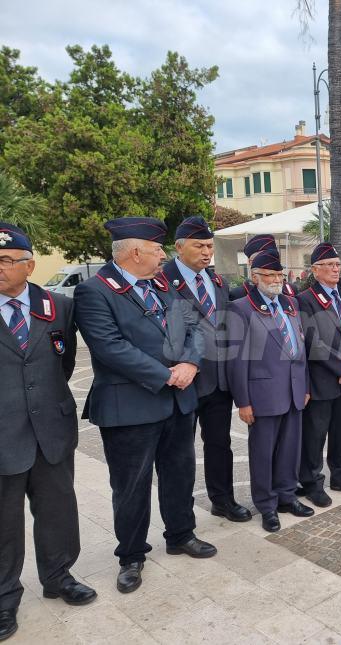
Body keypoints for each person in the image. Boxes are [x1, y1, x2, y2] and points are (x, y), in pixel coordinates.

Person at [74, 217, 215, 596]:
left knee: (180, 473)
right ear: (136, 252)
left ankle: (181, 534)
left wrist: (189, 363)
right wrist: (167, 374)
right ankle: (132, 556)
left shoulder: (164, 287)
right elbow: (109, 347)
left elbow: (194, 329)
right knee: (131, 486)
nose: (162, 256)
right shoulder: (95, 291)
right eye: (157, 250)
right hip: (130, 406)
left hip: (177, 402)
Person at [0, 224, 96, 640]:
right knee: (3, 524)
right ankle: (4, 599)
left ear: (29, 265)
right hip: (3, 433)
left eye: (6, 261)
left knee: (57, 510)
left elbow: (65, 362)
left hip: (52, 430)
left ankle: (58, 577)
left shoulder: (57, 306)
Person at [161, 216, 251, 523]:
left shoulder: (217, 281)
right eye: (199, 245)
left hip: (217, 381)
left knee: (219, 444)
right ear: (179, 247)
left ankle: (222, 499)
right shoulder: (162, 280)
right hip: (182, 380)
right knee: (179, 454)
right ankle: (180, 518)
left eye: (210, 246)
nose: (206, 252)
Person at [226, 249, 313, 532]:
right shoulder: (241, 308)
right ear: (255, 277)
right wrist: (243, 402)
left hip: (294, 390)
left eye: (280, 274)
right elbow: (237, 360)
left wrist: (306, 386)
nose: (277, 279)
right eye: (271, 275)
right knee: (263, 452)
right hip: (262, 394)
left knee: (290, 449)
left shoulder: (290, 303)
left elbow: (300, 350)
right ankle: (266, 505)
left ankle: (287, 496)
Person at [298, 243, 341, 507]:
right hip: (323, 379)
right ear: (315, 270)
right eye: (329, 265)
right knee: (315, 434)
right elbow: (312, 342)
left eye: (338, 265)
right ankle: (312, 482)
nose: (336, 269)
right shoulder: (305, 300)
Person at [229, 235, 296, 301]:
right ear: (250, 262)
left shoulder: (291, 290)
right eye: (261, 259)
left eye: (273, 258)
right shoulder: (239, 295)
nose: (268, 263)